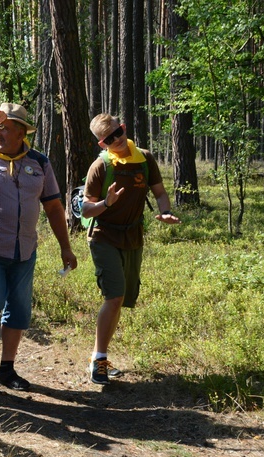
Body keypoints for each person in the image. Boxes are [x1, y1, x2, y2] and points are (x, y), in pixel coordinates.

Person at [0, 103, 77, 392]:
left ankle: (6, 369)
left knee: (19, 311)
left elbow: (55, 208)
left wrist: (65, 247)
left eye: (5, 128)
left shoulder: (39, 162)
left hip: (24, 251)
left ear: (21, 132)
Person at [80, 113, 180, 385]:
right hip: (103, 236)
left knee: (121, 299)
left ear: (123, 127)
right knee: (114, 296)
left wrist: (166, 211)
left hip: (133, 236)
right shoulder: (100, 167)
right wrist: (107, 203)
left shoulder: (145, 159)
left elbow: (159, 192)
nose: (117, 139)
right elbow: (86, 209)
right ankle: (99, 361)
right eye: (109, 138)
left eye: (118, 132)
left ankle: (98, 356)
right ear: (102, 144)